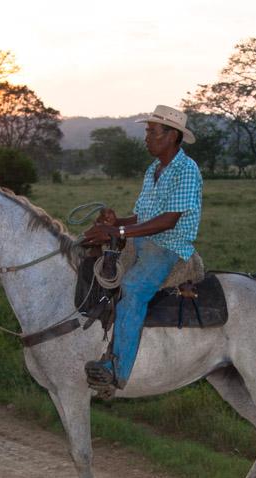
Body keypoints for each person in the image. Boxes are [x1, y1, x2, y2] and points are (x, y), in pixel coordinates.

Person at [82, 105, 202, 392]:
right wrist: (116, 222)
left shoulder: (186, 169)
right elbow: (142, 217)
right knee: (88, 258)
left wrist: (118, 231)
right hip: (143, 240)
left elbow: (168, 221)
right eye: (147, 131)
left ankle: (116, 371)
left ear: (172, 136)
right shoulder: (154, 169)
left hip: (168, 246)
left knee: (133, 289)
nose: (146, 137)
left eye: (151, 132)